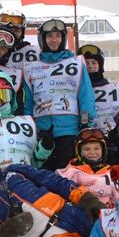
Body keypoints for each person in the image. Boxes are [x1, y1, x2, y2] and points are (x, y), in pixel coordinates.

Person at [23, 19, 96, 169]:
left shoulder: (75, 63)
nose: (54, 40)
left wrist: (85, 122)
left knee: (66, 175)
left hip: (69, 131)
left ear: (63, 39)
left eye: (57, 36)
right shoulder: (31, 68)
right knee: (44, 177)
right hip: (42, 133)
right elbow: (28, 102)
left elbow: (85, 95)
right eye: (49, 36)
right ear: (43, 39)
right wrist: (28, 128)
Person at [79, 44, 119, 163]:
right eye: (86, 63)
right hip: (82, 144)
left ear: (100, 65)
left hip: (109, 144)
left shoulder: (112, 89)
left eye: (94, 63)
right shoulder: (75, 89)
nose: (90, 66)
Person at [57, 128, 118, 209]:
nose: (92, 152)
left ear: (103, 151)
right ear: (79, 152)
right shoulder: (69, 172)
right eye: (87, 149)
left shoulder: (112, 173)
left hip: (105, 217)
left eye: (96, 149)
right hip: (78, 216)